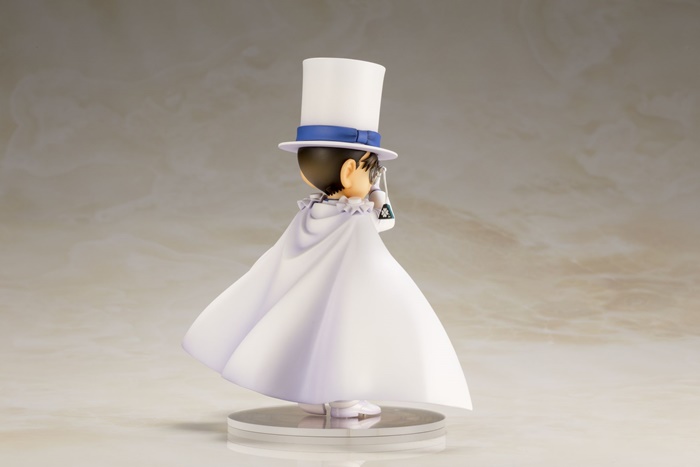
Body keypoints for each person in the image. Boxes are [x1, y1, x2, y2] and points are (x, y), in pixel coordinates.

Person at [183, 58, 471, 419]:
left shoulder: (310, 211)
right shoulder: (355, 219)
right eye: (372, 170)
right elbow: (386, 223)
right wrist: (379, 194)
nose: (374, 178)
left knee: (308, 333)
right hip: (346, 294)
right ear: (351, 171)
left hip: (307, 292)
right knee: (345, 336)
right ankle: (344, 400)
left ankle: (309, 393)